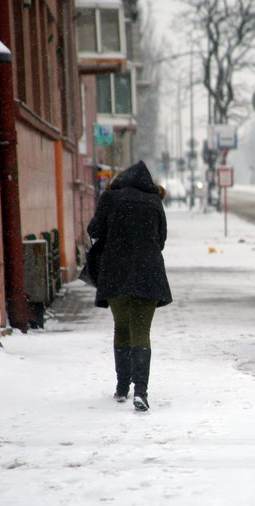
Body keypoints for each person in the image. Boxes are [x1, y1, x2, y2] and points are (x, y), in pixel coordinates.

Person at [87, 160, 172, 411]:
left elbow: (94, 229)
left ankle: (122, 387)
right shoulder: (154, 201)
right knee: (141, 330)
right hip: (149, 274)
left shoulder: (111, 198)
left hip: (115, 273)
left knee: (122, 327)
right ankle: (141, 393)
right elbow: (161, 239)